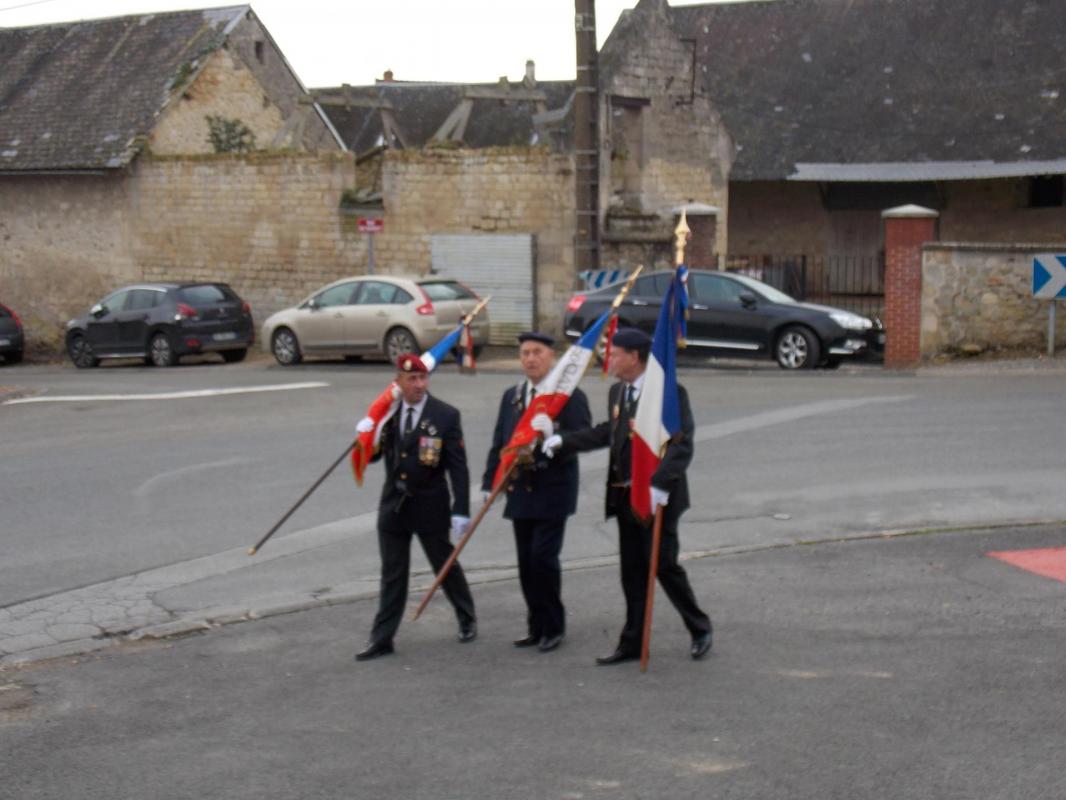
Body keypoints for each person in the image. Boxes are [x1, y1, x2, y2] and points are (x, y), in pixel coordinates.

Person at [543, 328, 712, 665]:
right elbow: (610, 431)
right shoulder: (618, 391)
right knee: (631, 571)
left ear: (634, 357)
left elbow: (680, 444)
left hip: (657, 497)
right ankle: (632, 640)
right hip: (625, 497)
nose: (610, 359)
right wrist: (565, 441)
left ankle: (699, 627)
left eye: (615, 354)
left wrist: (660, 483)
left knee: (663, 565)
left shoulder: (667, 393)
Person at [353, 353, 477, 661]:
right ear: (398, 381)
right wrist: (366, 436)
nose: (418, 385)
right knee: (393, 574)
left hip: (429, 504)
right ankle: (382, 638)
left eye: (422, 378)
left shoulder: (445, 415)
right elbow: (373, 458)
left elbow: (457, 467)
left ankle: (466, 616)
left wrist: (460, 508)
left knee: (443, 565)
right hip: (394, 505)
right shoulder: (389, 414)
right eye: (411, 379)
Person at [482, 332, 592, 652]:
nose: (530, 359)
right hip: (520, 491)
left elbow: (583, 436)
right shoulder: (512, 396)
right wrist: (491, 482)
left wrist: (554, 434)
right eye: (525, 353)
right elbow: (499, 442)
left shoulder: (568, 396)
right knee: (526, 564)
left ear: (551, 357)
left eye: (537, 353)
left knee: (543, 559)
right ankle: (535, 624)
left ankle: (553, 626)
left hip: (553, 489)